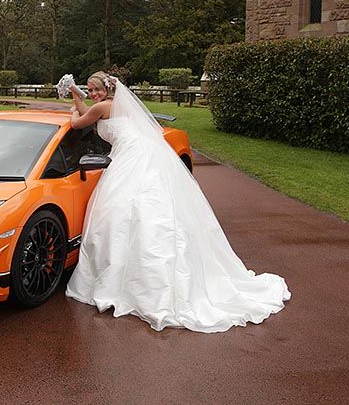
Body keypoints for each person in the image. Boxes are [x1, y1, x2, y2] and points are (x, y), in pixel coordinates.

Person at [65, 71, 290, 333]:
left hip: (129, 159)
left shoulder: (103, 107)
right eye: (90, 91)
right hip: (141, 154)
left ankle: (132, 280)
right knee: (144, 209)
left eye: (96, 90)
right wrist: (76, 97)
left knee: (121, 211)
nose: (93, 95)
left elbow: (78, 123)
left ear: (107, 90)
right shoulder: (114, 105)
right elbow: (89, 112)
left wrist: (72, 110)